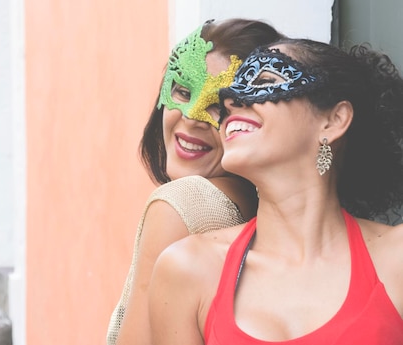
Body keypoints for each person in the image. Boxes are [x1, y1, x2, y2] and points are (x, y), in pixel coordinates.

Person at [148, 38, 403, 344]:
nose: (230, 100)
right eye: (233, 87)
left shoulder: (395, 260)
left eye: (266, 80)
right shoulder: (188, 270)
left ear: (334, 120)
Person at [107, 18, 285, 345]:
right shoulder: (278, 211)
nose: (190, 116)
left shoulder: (181, 205)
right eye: (183, 91)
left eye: (218, 107)